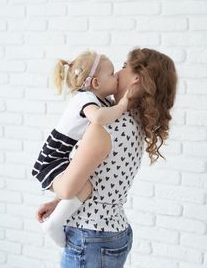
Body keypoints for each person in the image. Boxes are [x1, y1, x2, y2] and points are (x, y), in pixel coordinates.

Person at [36, 48, 177, 268]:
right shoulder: (136, 121)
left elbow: (67, 189)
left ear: (137, 79)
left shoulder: (105, 125)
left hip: (90, 236)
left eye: (123, 67)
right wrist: (57, 204)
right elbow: (99, 176)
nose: (117, 73)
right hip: (113, 232)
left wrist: (59, 197)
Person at [32, 50, 130, 246]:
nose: (117, 75)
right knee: (83, 186)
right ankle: (54, 224)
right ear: (95, 83)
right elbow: (99, 118)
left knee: (81, 182)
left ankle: (56, 212)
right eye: (112, 74)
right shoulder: (84, 99)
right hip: (53, 157)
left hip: (63, 155)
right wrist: (124, 104)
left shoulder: (100, 100)